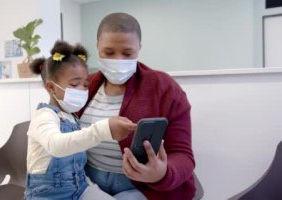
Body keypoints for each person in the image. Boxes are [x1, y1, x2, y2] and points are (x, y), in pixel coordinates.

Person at [78, 13, 196, 200]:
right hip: (87, 181)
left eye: (127, 53)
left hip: (143, 187)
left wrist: (161, 174)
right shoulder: (83, 86)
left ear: (139, 49)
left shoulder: (165, 88)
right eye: (108, 52)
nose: (118, 60)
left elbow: (183, 155)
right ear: (97, 47)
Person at [24, 40, 137, 200]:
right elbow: (56, 145)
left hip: (80, 189)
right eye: (75, 84)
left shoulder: (72, 118)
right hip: (47, 195)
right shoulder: (44, 116)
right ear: (51, 87)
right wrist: (103, 130)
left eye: (85, 84)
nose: (83, 90)